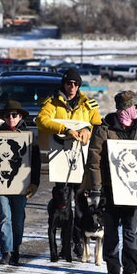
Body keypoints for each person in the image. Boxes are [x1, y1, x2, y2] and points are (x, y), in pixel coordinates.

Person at [36, 67, 102, 258]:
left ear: (79, 86)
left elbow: (98, 124)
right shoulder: (52, 102)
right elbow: (41, 120)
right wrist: (63, 129)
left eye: (75, 84)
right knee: (63, 204)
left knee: (80, 206)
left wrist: (88, 129)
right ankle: (65, 242)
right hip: (61, 159)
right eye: (69, 83)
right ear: (63, 84)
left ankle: (78, 241)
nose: (72, 87)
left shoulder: (88, 104)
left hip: (80, 160)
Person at [85, 91, 137, 274]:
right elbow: (94, 161)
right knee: (111, 234)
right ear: (126, 109)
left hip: (132, 192)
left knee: (131, 234)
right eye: (135, 106)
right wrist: (96, 189)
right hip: (110, 190)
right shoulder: (104, 129)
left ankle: (130, 273)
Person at [0, 100, 40, 265]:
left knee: (18, 219)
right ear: (3, 118)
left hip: (21, 185)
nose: (11, 118)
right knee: (4, 216)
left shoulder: (29, 136)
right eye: (7, 115)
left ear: (20, 117)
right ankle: (6, 251)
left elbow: (36, 162)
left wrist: (34, 182)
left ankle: (16, 249)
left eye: (14, 115)